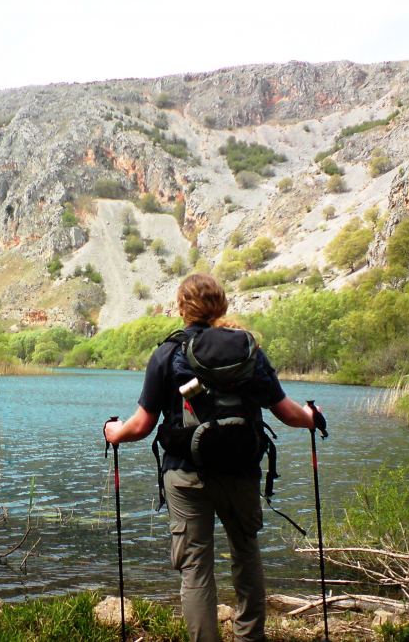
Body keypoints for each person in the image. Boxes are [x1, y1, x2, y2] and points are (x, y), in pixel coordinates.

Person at [104, 273, 321, 642]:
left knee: (195, 568)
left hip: (185, 474)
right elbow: (287, 413)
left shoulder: (168, 353)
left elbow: (140, 426)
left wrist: (114, 432)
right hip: (241, 470)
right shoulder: (248, 350)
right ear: (222, 305)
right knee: (246, 553)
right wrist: (312, 418)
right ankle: (249, 638)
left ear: (181, 308)